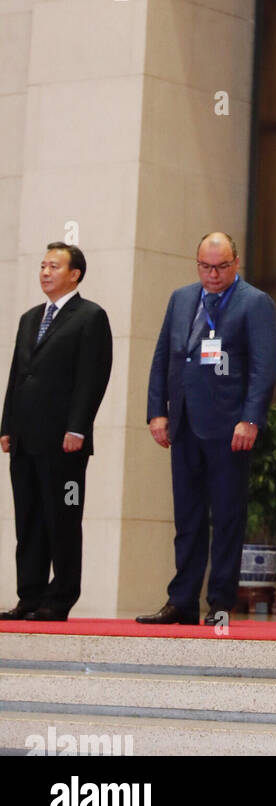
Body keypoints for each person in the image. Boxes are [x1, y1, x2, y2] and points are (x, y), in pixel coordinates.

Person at [137, 232, 276, 626]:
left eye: (220, 266)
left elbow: (265, 366)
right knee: (188, 518)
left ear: (236, 264)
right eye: (205, 266)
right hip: (184, 423)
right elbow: (163, 356)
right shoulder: (182, 298)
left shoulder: (254, 302)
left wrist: (251, 418)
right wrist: (157, 412)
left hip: (229, 426)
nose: (212, 274)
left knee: (228, 517)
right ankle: (181, 600)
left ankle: (219, 602)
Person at [0, 244, 112, 621]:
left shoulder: (90, 317)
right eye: (43, 265)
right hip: (26, 438)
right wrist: (7, 426)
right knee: (28, 519)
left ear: (75, 274)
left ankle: (60, 596)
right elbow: (18, 374)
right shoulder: (30, 318)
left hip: (65, 443)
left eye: (54, 266)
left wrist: (78, 427)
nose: (45, 272)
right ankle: (29, 595)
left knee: (62, 517)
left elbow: (92, 377)